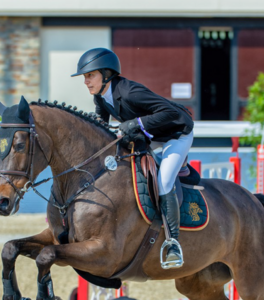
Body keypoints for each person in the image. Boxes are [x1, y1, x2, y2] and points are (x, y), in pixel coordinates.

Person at [72, 47, 194, 267]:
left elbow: (172, 113)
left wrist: (136, 124)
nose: (86, 82)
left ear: (106, 74)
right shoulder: (101, 97)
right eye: (85, 77)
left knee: (164, 181)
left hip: (175, 134)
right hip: (150, 136)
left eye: (90, 75)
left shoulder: (129, 92)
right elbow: (102, 125)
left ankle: (173, 242)